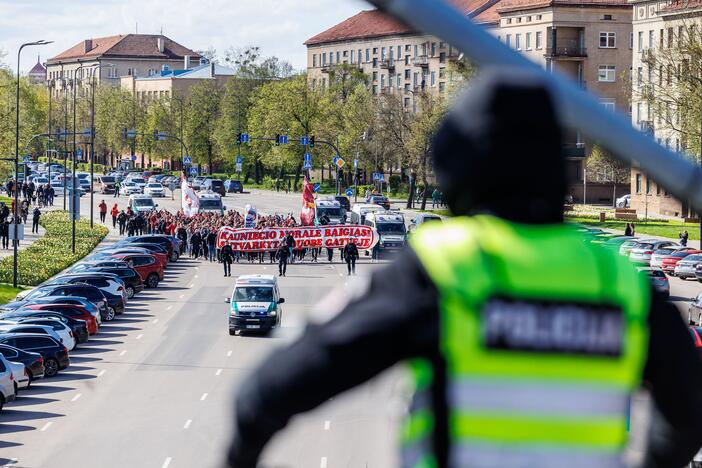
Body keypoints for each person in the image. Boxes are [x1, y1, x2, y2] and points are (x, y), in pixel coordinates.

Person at [225, 71, 702, 468]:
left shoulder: (448, 267)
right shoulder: (619, 281)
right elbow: (690, 412)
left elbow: (272, 390)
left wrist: (243, 451)